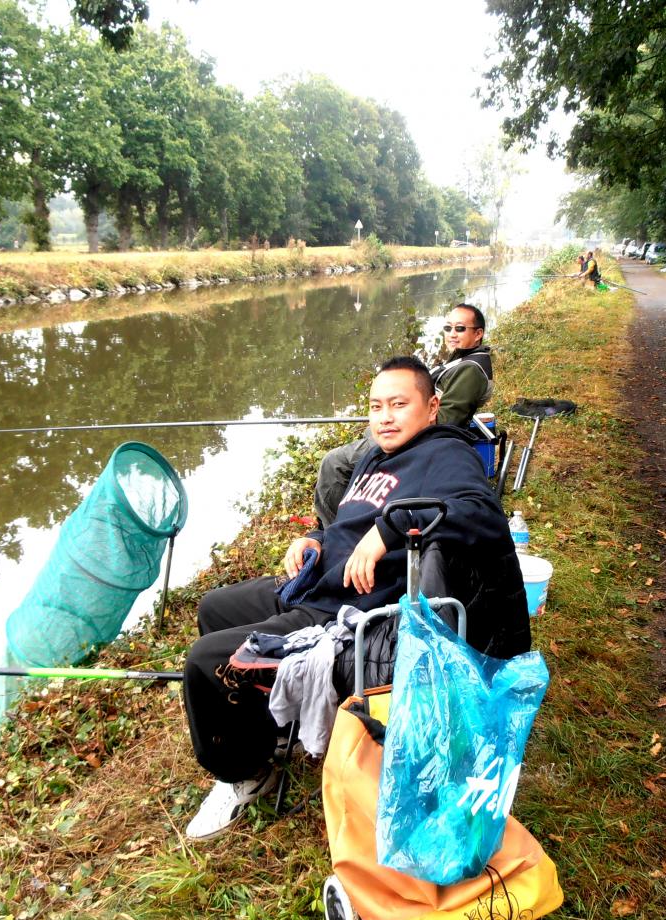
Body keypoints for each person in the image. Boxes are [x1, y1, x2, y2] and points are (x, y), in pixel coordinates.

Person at [181, 355, 521, 839]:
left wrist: (394, 528)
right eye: (376, 405)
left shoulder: (446, 454)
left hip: (340, 612)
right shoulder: (377, 455)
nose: (385, 416)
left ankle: (243, 773)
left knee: (204, 660)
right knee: (214, 608)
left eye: (399, 404)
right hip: (318, 579)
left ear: (431, 407)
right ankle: (267, 724)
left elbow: (481, 514)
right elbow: (345, 523)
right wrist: (315, 540)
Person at [312, 303, 494, 528]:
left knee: (334, 463)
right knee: (365, 438)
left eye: (460, 329)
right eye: (448, 328)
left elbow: (448, 418)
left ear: (478, 334)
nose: (452, 334)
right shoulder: (462, 359)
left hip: (421, 438)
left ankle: (332, 529)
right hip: (411, 428)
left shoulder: (471, 370)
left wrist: (400, 419)